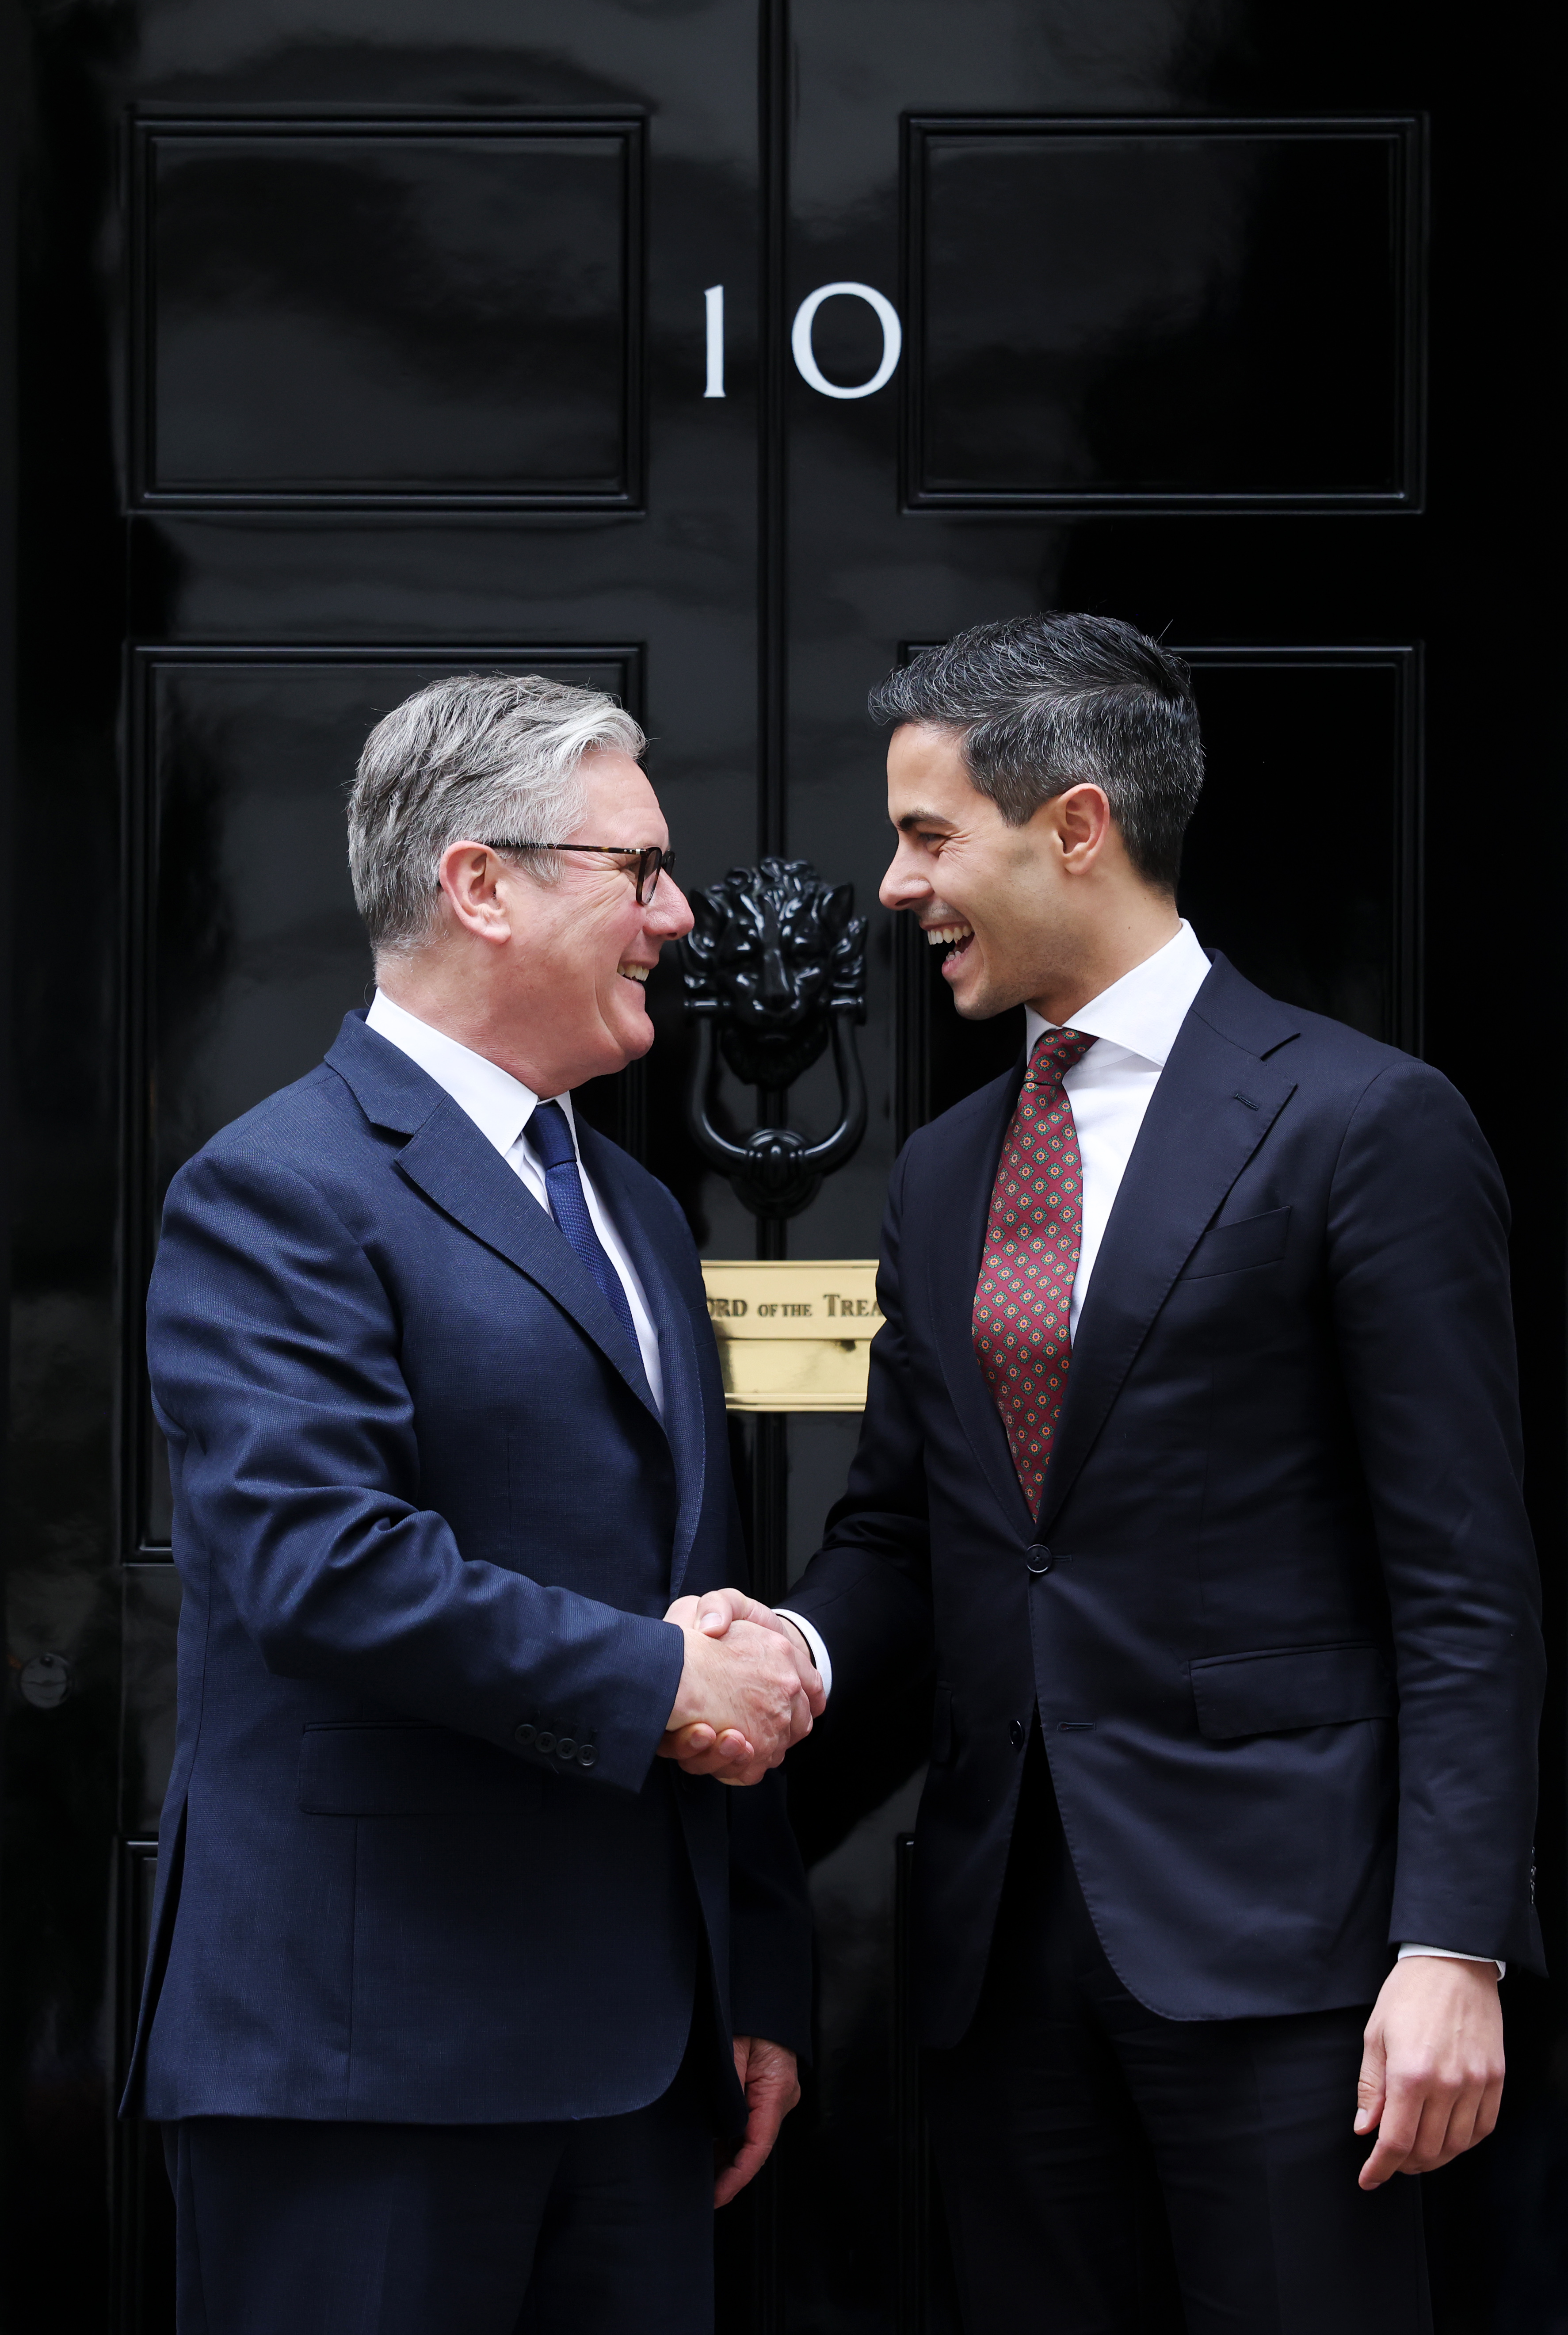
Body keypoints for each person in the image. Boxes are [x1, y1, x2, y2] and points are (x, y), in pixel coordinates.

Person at [689, 615, 1546, 2334]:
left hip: (1293, 1960)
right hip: (1001, 1962)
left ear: (1073, 824)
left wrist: (1449, 1946)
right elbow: (905, 1536)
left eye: (927, 834)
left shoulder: (1359, 1122)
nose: (888, 886)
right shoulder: (939, 1174)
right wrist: (787, 1655)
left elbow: (1459, 1575)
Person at [122, 673, 823, 2335]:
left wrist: (759, 1973)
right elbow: (325, 1567)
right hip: (368, 2068)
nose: (679, 914)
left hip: (648, 2071)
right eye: (636, 869)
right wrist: (661, 1683)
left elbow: (692, 1579)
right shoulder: (276, 1187)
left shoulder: (642, 1209)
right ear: (480, 882)